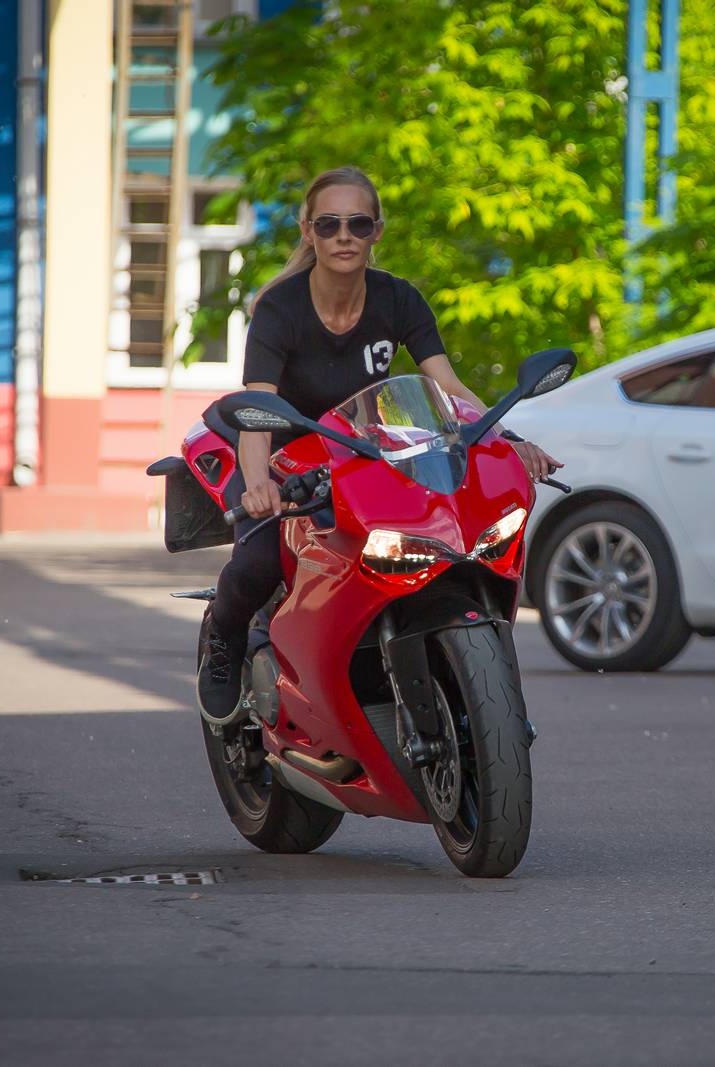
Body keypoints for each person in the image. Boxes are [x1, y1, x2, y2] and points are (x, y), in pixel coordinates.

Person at [199, 166, 561, 720]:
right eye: (329, 224)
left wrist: (507, 439)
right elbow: (256, 412)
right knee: (257, 563)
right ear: (308, 231)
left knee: (432, 540)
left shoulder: (399, 299)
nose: (344, 236)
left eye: (358, 224)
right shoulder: (280, 308)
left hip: (367, 454)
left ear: (377, 232)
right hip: (288, 457)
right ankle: (223, 643)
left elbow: (448, 388)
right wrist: (256, 486)